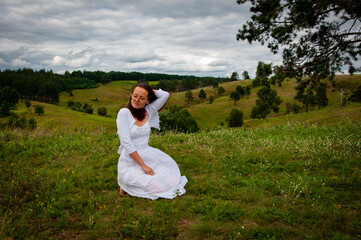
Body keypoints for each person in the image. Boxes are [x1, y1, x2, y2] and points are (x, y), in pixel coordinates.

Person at [116, 83, 187, 200]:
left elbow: (165, 95)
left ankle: (128, 186)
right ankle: (124, 186)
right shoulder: (124, 113)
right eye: (135, 96)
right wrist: (143, 166)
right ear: (131, 96)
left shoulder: (148, 110)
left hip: (147, 154)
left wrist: (147, 90)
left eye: (142, 98)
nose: (137, 100)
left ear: (148, 101)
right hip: (130, 160)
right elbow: (126, 144)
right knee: (158, 187)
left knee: (171, 181)